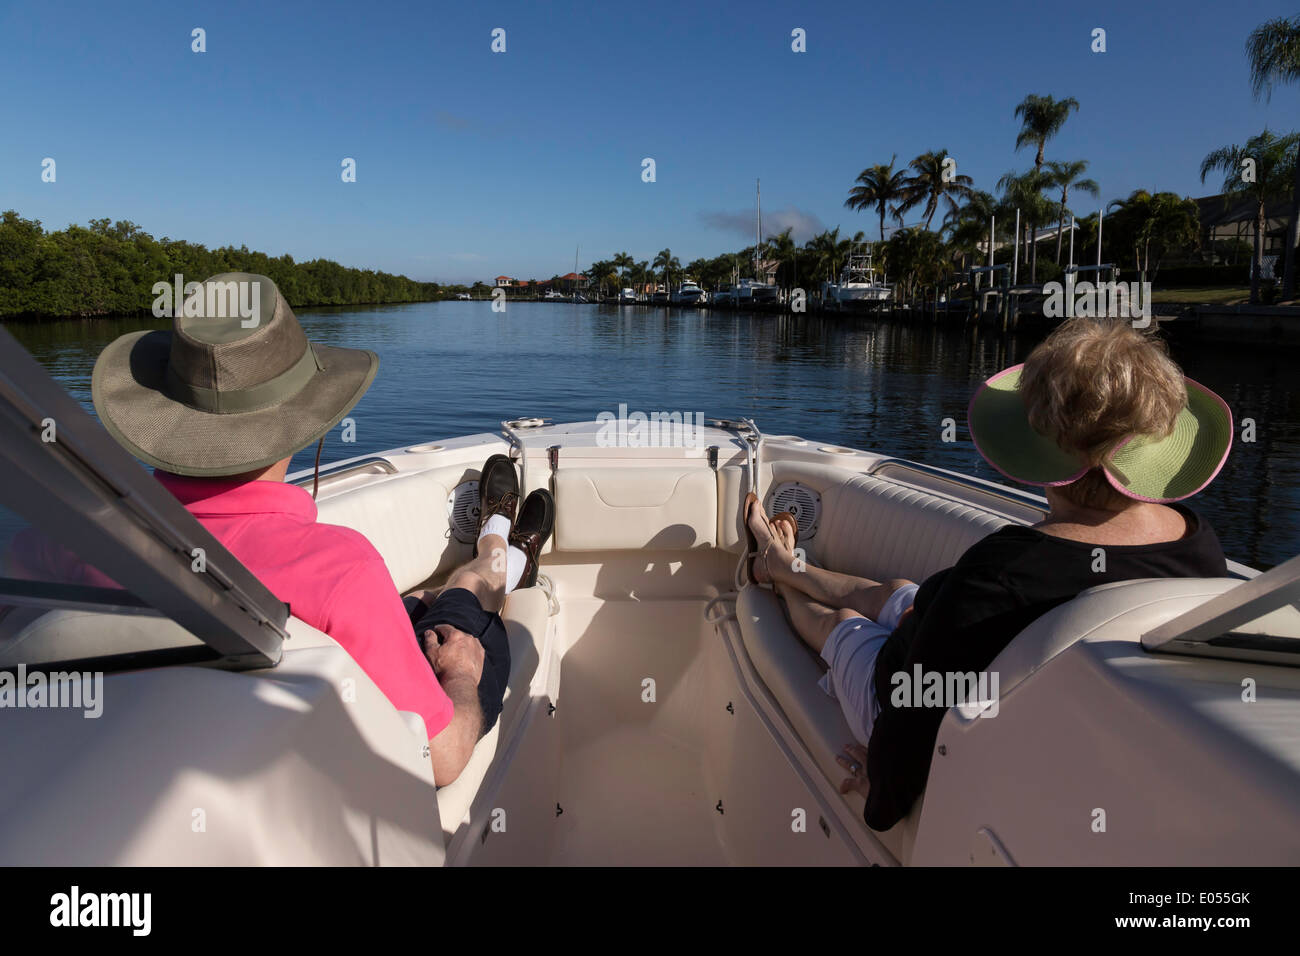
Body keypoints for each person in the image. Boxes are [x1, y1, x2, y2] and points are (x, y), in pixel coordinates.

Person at [11, 272, 554, 786]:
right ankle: (502, 550)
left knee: (425, 603)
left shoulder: (55, 545)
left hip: (137, 767)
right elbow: (444, 758)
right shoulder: (339, 569)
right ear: (307, 425)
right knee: (462, 607)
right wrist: (458, 675)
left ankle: (490, 551)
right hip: (348, 771)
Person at [744, 317, 1233, 832]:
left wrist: (882, 790)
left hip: (895, 688)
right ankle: (783, 563)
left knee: (843, 620)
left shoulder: (1000, 575)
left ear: (1040, 444)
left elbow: (912, 714)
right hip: (966, 649)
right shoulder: (1196, 542)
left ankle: (777, 582)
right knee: (898, 594)